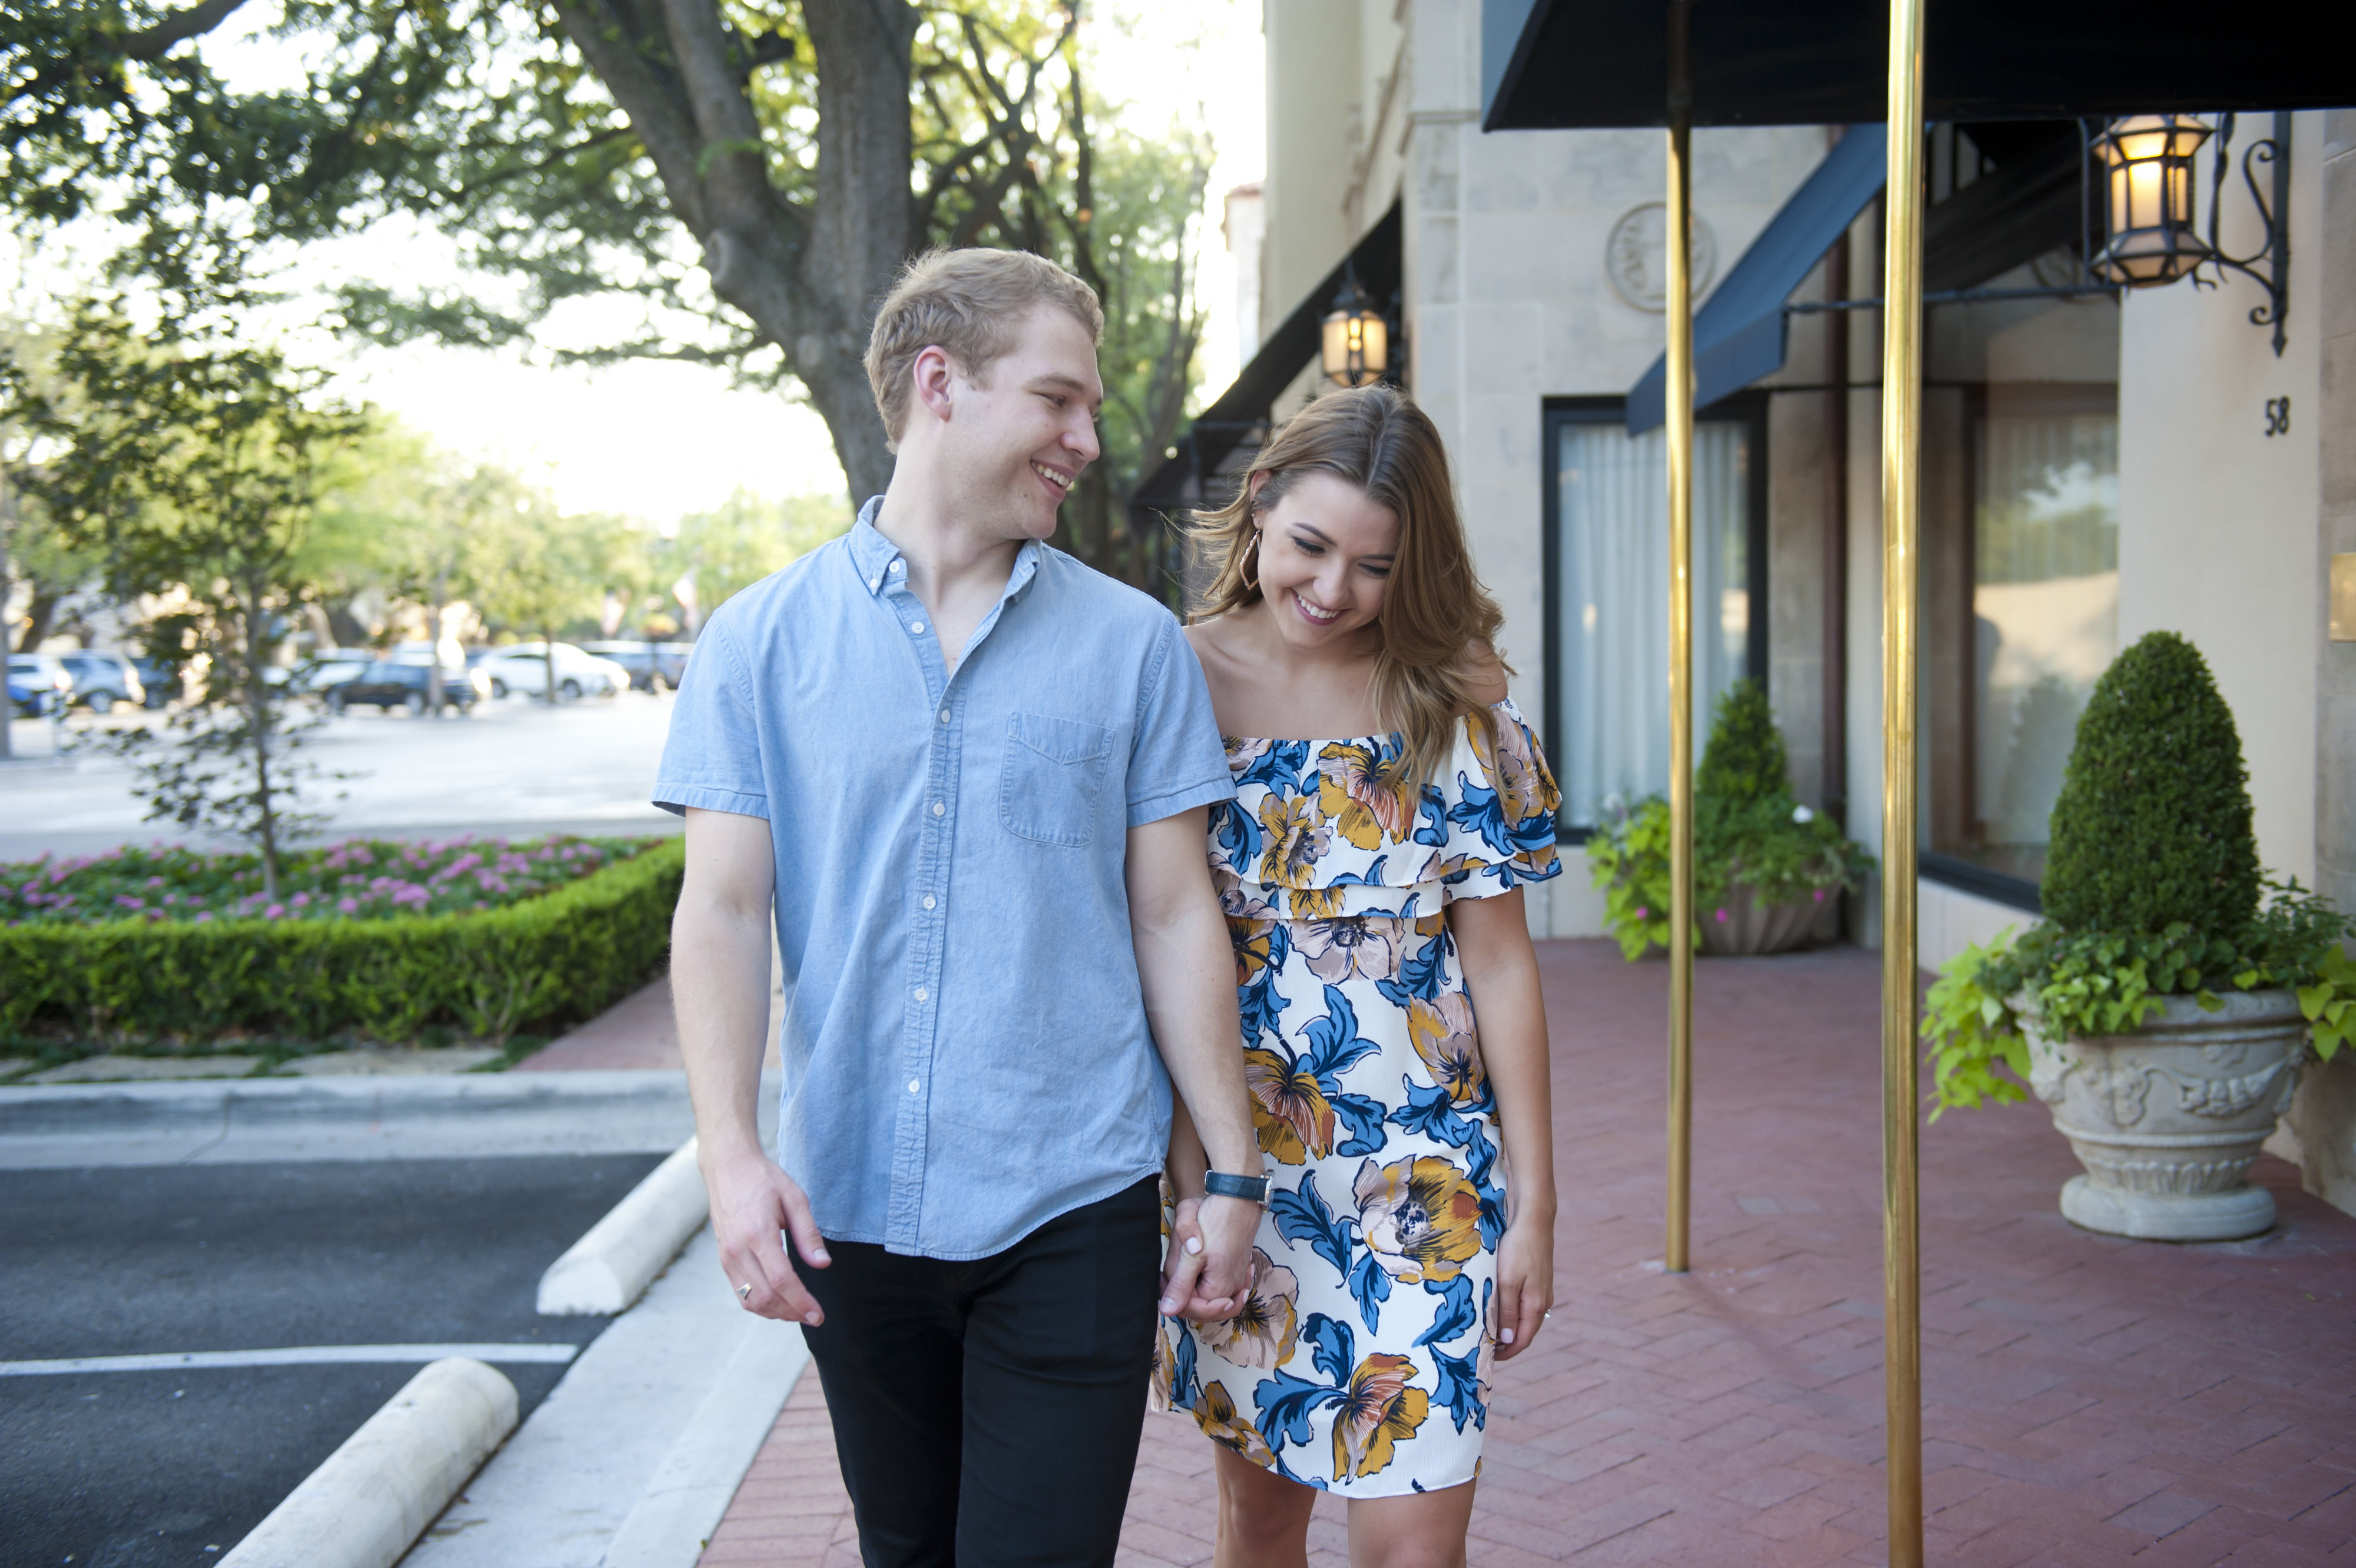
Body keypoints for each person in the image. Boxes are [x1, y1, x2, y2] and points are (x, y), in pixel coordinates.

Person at [653, 247, 1268, 1568]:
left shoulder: (1132, 645)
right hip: (852, 1201)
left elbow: (1172, 916)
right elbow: (723, 909)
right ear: (940, 381)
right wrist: (729, 1153)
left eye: (1089, 409)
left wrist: (1228, 1169)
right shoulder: (758, 642)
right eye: (1058, 400)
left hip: (1073, 1200)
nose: (1086, 439)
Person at [1154, 386, 1561, 1568]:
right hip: (1239, 1171)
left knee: (1412, 1548)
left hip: (1425, 1175)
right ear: (1259, 505)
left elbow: (1500, 962)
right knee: (1258, 1531)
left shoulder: (1453, 709)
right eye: (1310, 546)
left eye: (1374, 566)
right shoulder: (1168, 680)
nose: (1332, 590)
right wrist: (1191, 1179)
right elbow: (1152, 928)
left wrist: (1535, 1202)